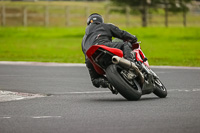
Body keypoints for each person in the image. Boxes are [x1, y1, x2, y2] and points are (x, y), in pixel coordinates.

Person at [81, 13, 138, 90]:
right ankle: (131, 67)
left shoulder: (84, 39)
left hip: (90, 58)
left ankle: (108, 84)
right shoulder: (105, 26)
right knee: (125, 45)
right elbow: (122, 34)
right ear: (100, 21)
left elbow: (84, 51)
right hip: (103, 46)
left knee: (95, 80)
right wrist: (133, 38)